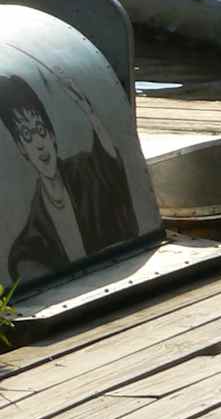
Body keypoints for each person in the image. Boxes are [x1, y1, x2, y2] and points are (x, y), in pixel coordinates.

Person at [0, 72, 140, 284]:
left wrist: (91, 114)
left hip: (118, 276)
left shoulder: (82, 169)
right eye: (27, 136)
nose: (39, 144)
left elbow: (109, 167)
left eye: (40, 130)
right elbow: (23, 258)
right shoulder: (37, 223)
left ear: (51, 135)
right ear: (22, 149)